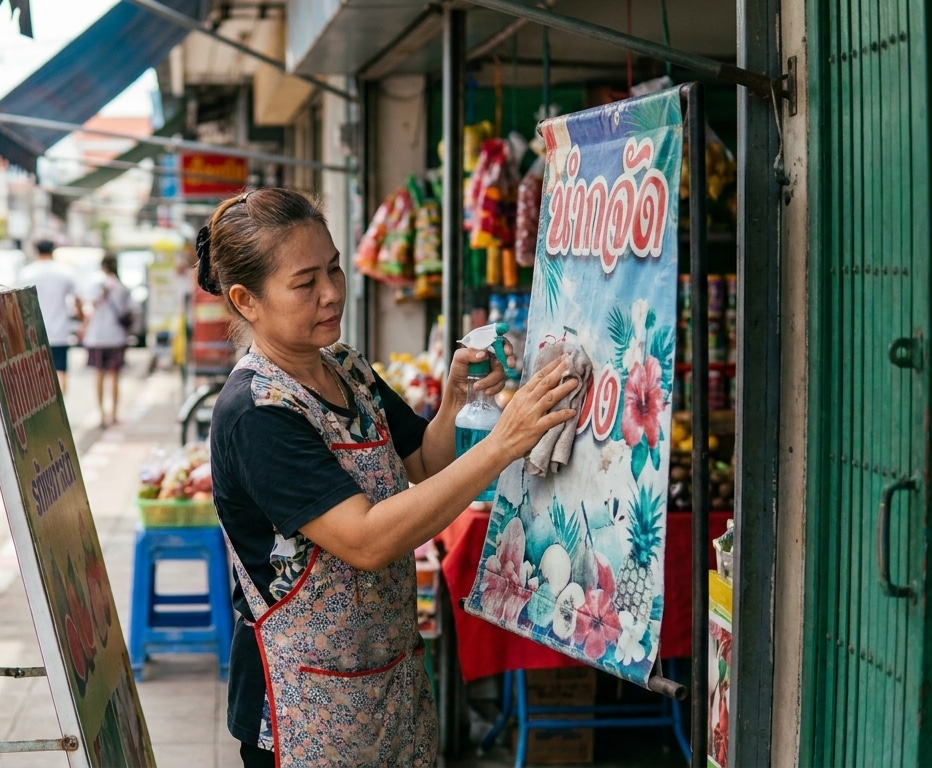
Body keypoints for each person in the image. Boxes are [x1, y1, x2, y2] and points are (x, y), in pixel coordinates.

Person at [200, 188, 578, 767]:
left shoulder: (347, 368)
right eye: (305, 284)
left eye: (333, 270)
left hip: (391, 682)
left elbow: (424, 464)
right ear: (246, 300)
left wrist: (456, 400)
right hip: (303, 708)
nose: (331, 294)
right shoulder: (257, 412)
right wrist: (503, 443)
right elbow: (368, 539)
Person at [17, 239, 83, 393]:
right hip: (60, 331)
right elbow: (77, 299)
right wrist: (81, 321)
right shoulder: (65, 272)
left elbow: (18, 303)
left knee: (37, 373)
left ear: (36, 251)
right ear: (53, 250)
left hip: (34, 332)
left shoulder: (26, 273)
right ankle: (61, 409)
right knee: (60, 371)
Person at [81, 253, 132, 427]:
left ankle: (101, 414)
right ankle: (115, 414)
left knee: (99, 375)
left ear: (103, 266)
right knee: (115, 376)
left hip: (97, 337)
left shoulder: (96, 284)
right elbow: (130, 310)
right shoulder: (122, 287)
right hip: (116, 337)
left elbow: (88, 308)